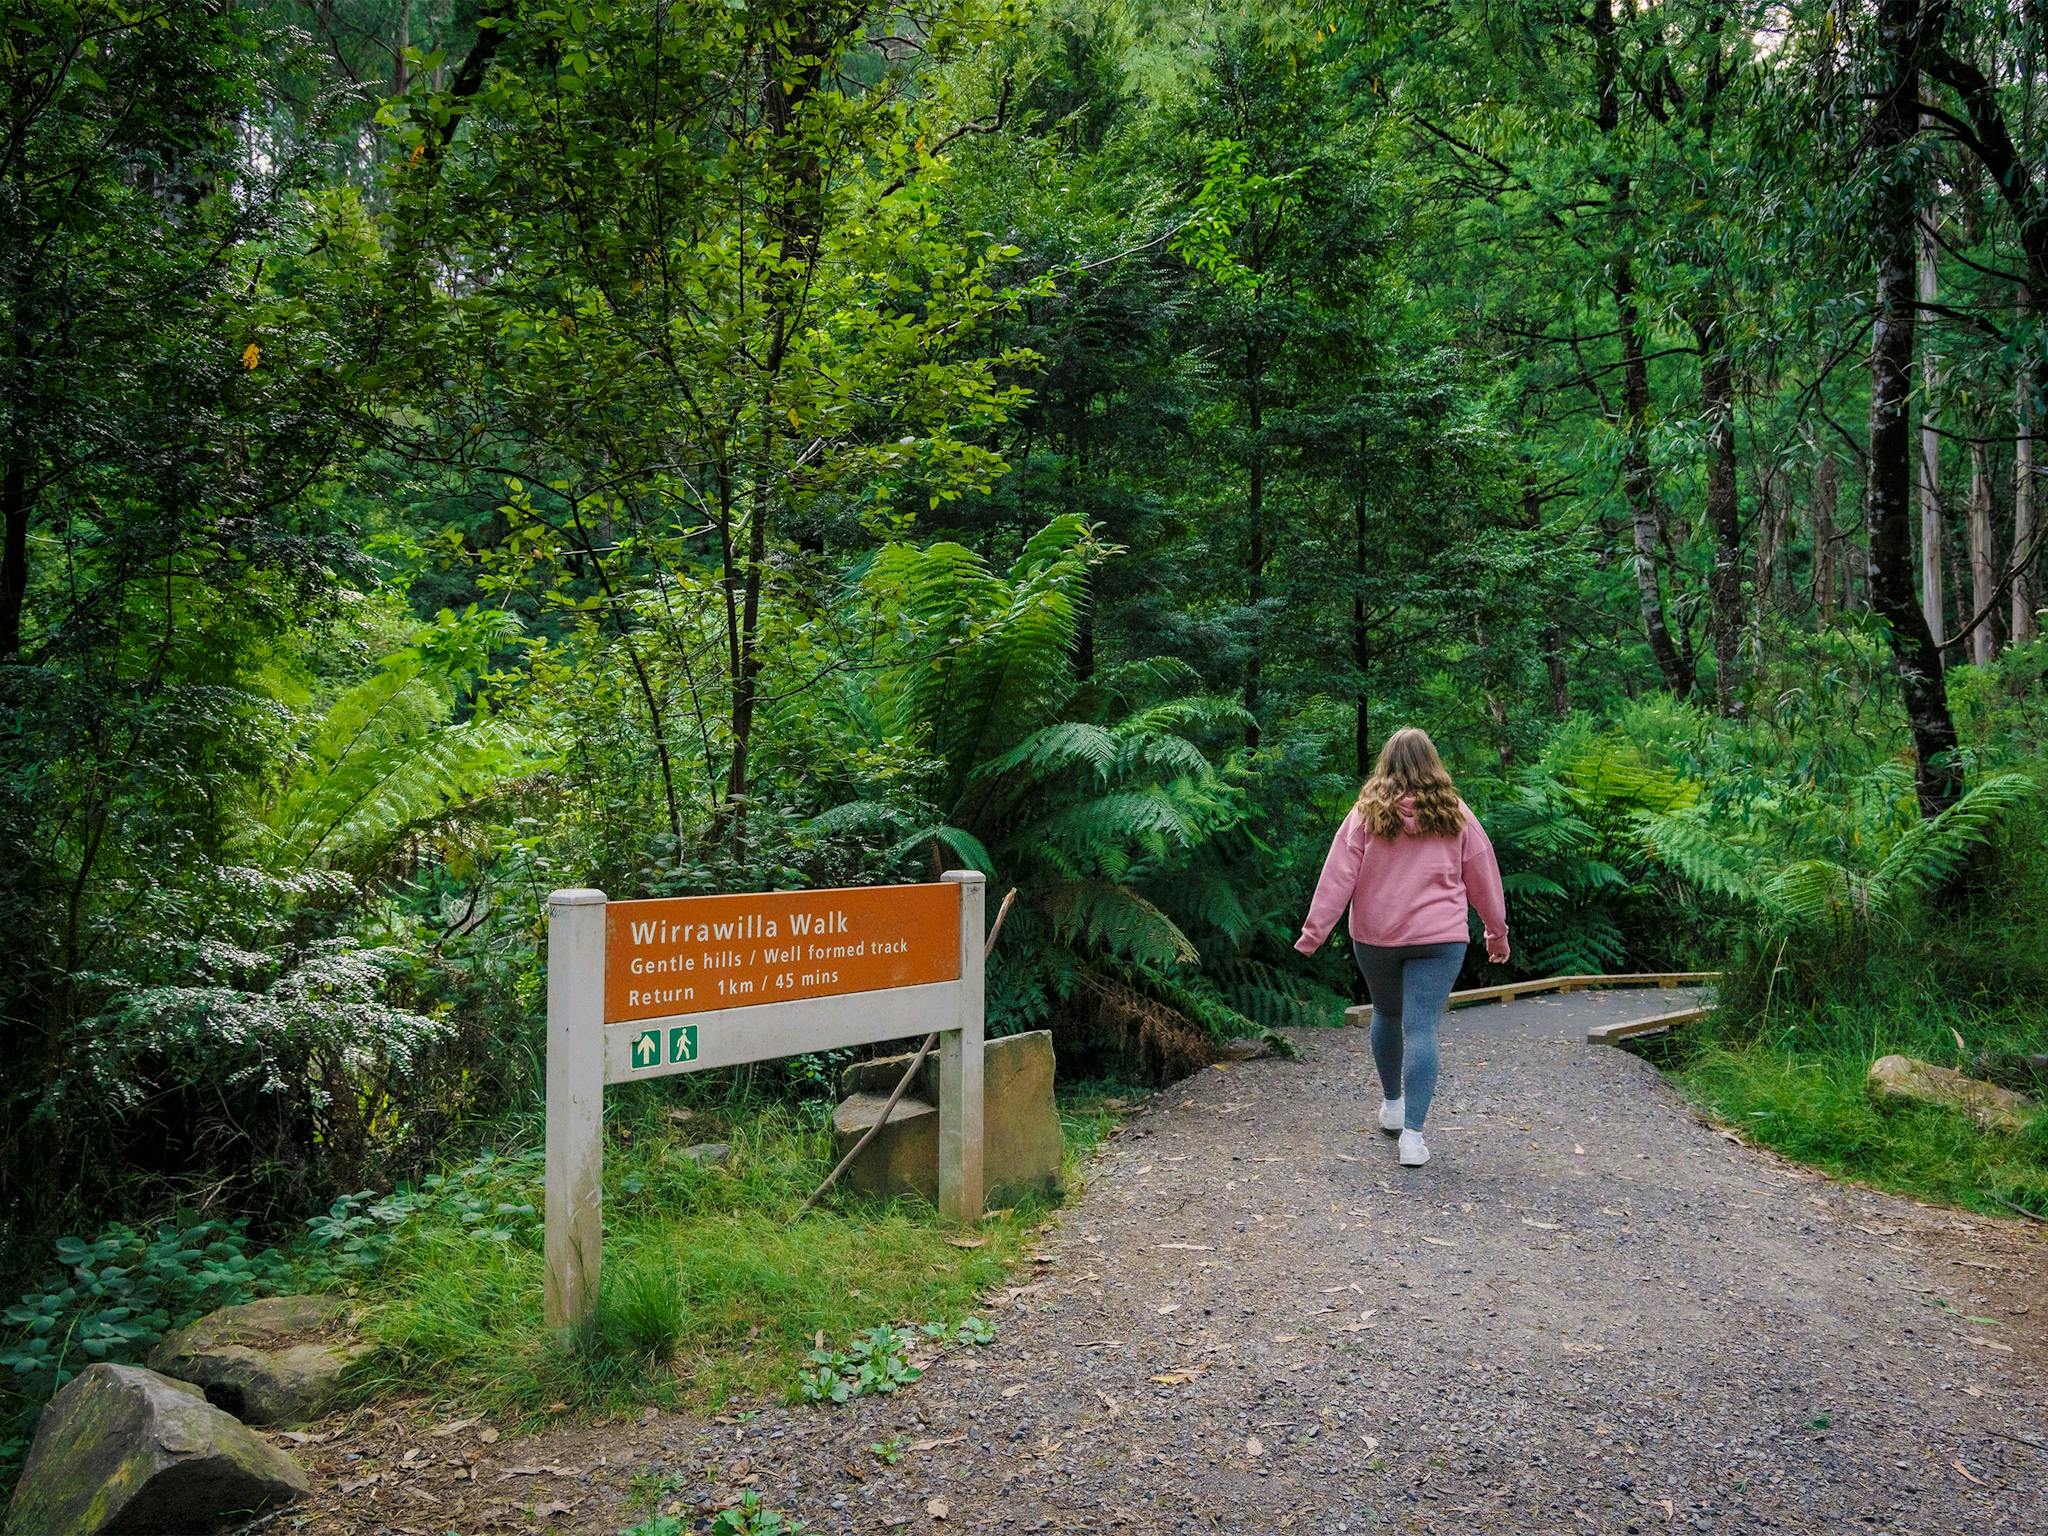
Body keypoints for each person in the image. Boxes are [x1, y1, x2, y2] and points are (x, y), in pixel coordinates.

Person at [1293, 727, 1509, 1168]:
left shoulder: (1365, 815)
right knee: (1422, 1027)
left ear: (1385, 765)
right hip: (1440, 938)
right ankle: (1412, 1137)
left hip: (1377, 937)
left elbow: (1336, 878)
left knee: (1387, 1014)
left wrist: (1313, 934)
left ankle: (1393, 1104)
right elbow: (1484, 877)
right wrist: (1496, 932)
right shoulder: (1457, 815)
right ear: (1433, 763)